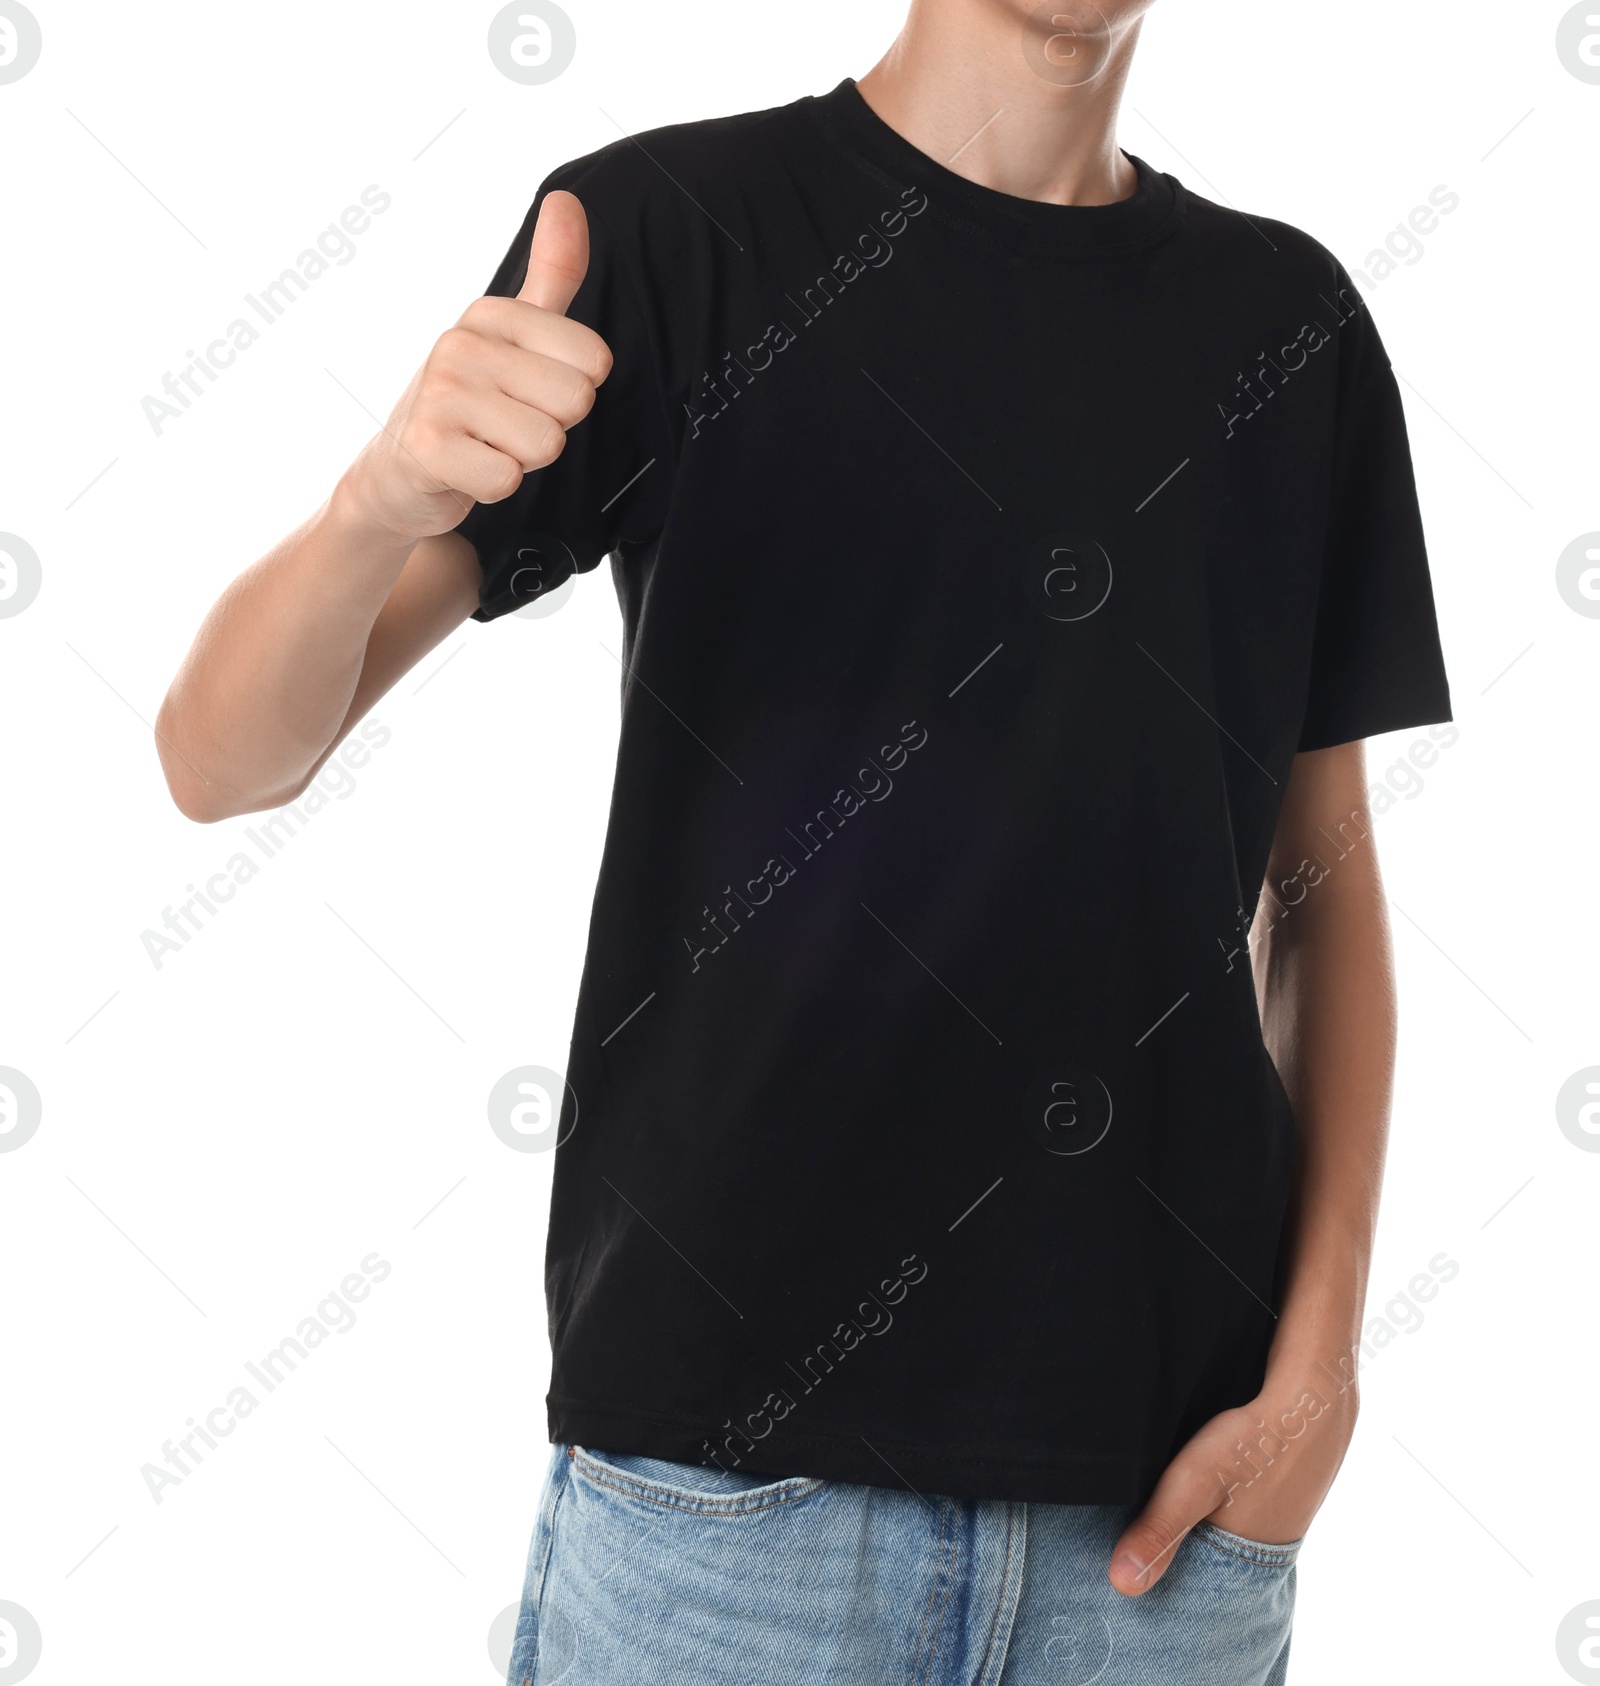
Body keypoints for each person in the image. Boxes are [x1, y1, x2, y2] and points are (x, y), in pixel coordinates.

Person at [156, 1, 1451, 1679]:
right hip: (726, 1513)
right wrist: (373, 505)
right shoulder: (667, 239)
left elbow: (1323, 882)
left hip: (1162, 1529)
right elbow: (219, 761)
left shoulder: (1292, 327)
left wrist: (1322, 1372)